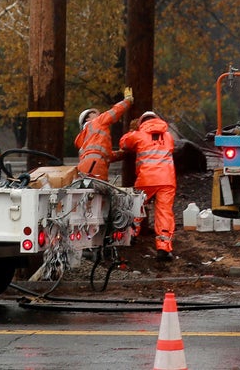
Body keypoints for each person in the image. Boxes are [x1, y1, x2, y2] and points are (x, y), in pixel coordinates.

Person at [119, 110, 177, 261]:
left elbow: (123, 143)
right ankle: (163, 248)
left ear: (142, 123)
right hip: (167, 180)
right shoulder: (168, 136)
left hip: (146, 179)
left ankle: (130, 236)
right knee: (164, 212)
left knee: (137, 207)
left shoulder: (138, 135)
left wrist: (132, 131)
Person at [75, 87, 133, 181]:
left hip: (83, 168)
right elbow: (114, 112)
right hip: (96, 165)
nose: (98, 114)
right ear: (87, 119)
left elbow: (105, 154)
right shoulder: (96, 122)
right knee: (101, 192)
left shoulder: (85, 138)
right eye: (93, 113)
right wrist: (127, 101)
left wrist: (122, 154)